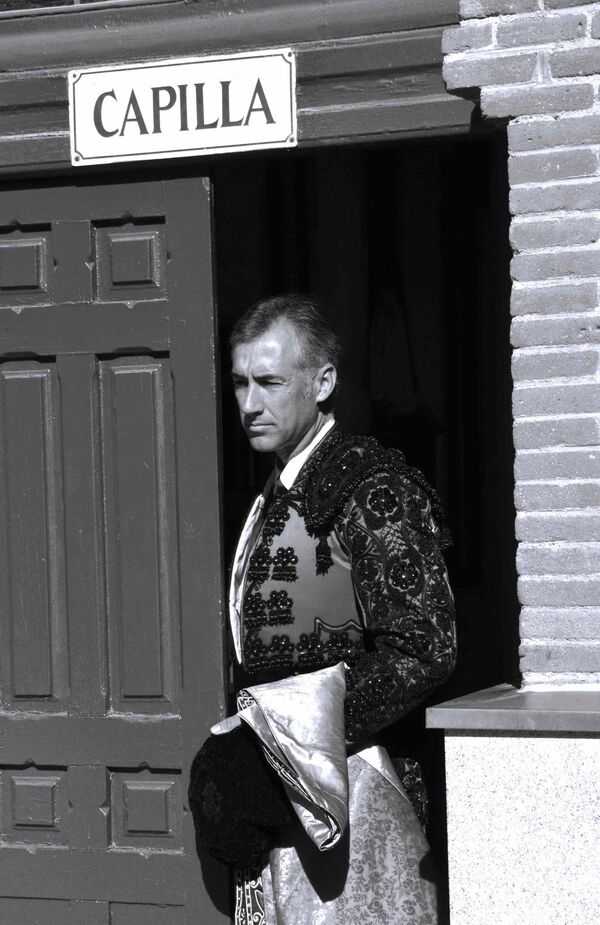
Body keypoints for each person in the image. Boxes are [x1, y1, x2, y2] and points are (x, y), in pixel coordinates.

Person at [189, 294, 456, 924]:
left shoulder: (373, 486)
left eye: (270, 382)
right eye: (240, 383)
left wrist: (280, 747)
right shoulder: (280, 485)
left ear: (324, 382)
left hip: (357, 788)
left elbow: (424, 649)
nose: (249, 404)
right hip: (294, 789)